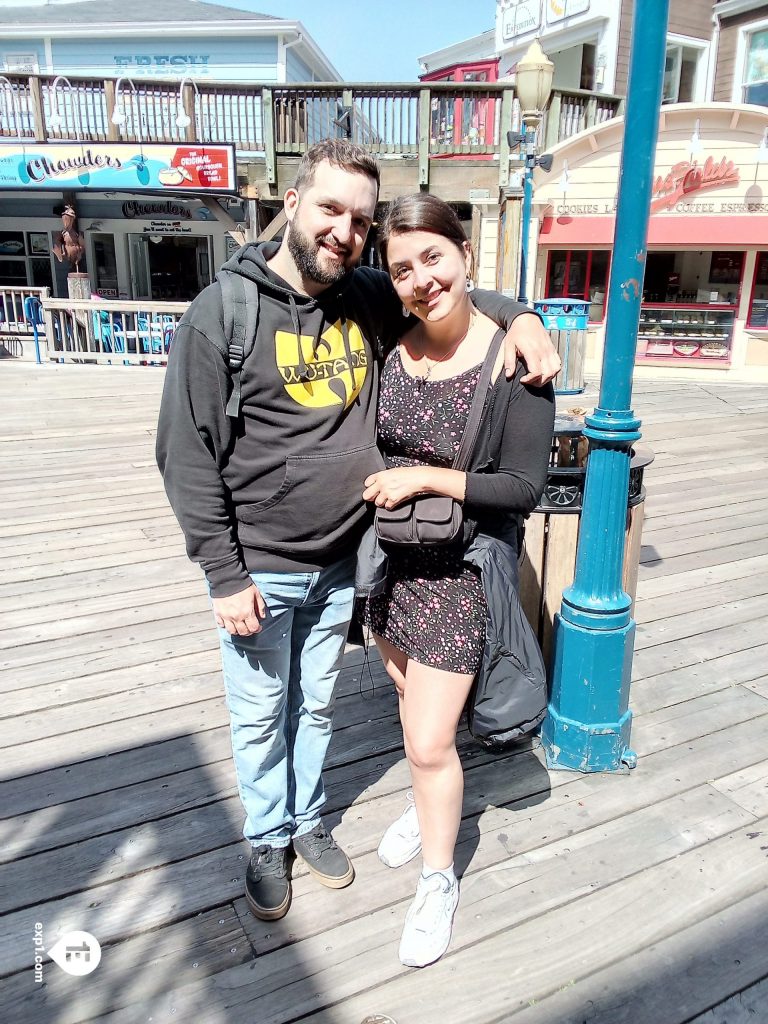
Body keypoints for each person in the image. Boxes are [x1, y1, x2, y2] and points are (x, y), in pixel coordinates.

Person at [156, 139, 560, 924]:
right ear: (294, 204)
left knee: (313, 710)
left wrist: (528, 318)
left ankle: (306, 823)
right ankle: (266, 837)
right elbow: (184, 452)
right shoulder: (224, 312)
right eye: (329, 209)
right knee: (258, 712)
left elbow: (447, 294)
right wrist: (223, 573)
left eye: (359, 219)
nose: (343, 230)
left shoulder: (365, 292)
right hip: (259, 568)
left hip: (349, 560)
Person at [361, 194, 555, 967]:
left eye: (433, 258)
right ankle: (427, 800)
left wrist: (427, 480)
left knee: (430, 738)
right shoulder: (389, 339)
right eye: (402, 267)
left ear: (464, 253)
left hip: (459, 574)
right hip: (389, 566)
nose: (420, 278)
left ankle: (438, 877)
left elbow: (523, 487)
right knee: (413, 712)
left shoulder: (513, 359)